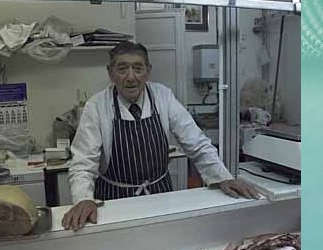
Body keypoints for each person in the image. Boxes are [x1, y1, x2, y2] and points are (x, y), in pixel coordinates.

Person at [63, 41, 259, 231]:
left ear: (148, 70)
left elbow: (197, 144)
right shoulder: (96, 106)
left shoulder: (163, 96)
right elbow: (83, 162)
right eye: (122, 69)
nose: (131, 77)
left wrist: (222, 177)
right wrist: (83, 199)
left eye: (138, 68)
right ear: (110, 73)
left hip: (160, 196)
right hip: (115, 202)